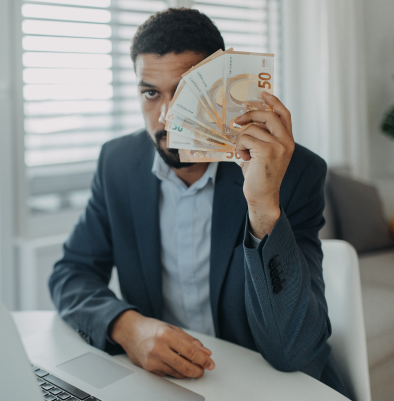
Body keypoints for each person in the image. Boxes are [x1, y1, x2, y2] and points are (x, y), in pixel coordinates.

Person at [48, 7, 348, 397]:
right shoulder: (117, 163)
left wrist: (262, 207)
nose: (168, 116)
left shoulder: (292, 172)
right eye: (151, 93)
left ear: (219, 89)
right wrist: (128, 327)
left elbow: (291, 350)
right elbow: (71, 273)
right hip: (166, 384)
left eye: (186, 92)